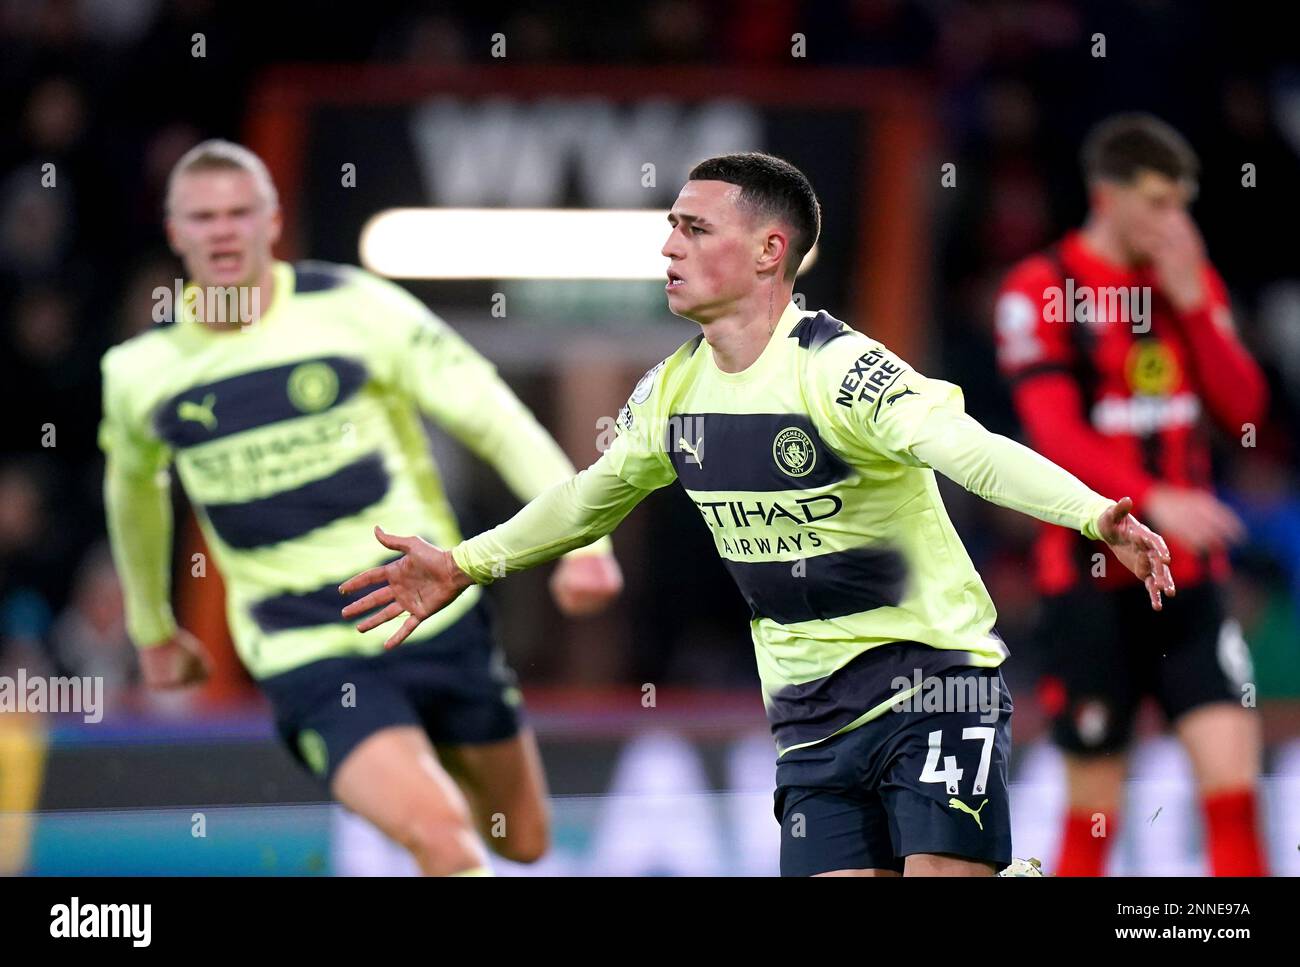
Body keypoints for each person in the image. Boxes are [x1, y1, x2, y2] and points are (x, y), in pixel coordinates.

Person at [341, 152, 1175, 877]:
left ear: (771, 250)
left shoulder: (839, 369)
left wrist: (1094, 512)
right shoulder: (674, 392)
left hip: (932, 682)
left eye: (697, 229)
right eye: (671, 227)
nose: (669, 245)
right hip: (809, 719)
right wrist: (463, 563)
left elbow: (969, 448)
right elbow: (584, 498)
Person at [100, 139, 624, 876]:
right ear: (174, 230)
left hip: (436, 616)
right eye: (202, 216)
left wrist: (583, 542)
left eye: (238, 213)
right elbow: (135, 493)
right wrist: (152, 627)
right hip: (303, 648)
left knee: (522, 839)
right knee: (441, 835)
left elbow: (490, 414)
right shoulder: (138, 374)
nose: (222, 230)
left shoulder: (356, 306)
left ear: (272, 220)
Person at [995, 113, 1270, 876]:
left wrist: (1198, 307)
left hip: (1191, 583)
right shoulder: (1039, 291)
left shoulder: (1183, 278)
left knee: (1234, 788)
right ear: (1105, 194)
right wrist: (1155, 497)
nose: (1173, 221)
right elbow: (1053, 437)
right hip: (1088, 586)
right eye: (1156, 202)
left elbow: (1245, 410)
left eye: (1182, 202)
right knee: (1093, 812)